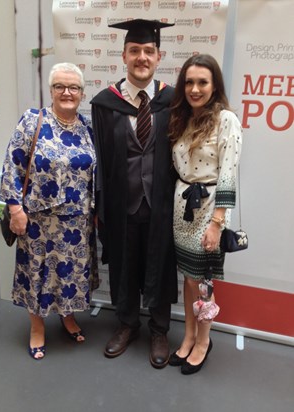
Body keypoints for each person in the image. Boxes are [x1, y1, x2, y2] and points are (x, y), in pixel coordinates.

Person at [91, 19, 178, 369]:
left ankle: (159, 330)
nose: (141, 57)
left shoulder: (173, 101)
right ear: (124, 56)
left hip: (161, 204)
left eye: (148, 51)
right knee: (125, 266)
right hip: (120, 204)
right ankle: (127, 324)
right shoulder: (104, 103)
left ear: (159, 56)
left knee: (160, 263)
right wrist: (100, 206)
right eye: (135, 51)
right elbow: (99, 156)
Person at [0, 62, 99, 360]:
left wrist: (96, 210)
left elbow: (96, 174)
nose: (67, 92)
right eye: (60, 86)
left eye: (74, 87)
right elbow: (12, 166)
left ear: (82, 93)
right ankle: (37, 327)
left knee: (70, 276)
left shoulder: (87, 128)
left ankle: (67, 317)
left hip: (78, 222)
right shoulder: (32, 121)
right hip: (38, 221)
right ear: (51, 90)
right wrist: (15, 208)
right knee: (37, 274)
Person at [168, 54, 242, 374]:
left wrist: (216, 224)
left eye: (202, 82)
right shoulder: (182, 117)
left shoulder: (226, 119)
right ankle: (187, 336)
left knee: (204, 282)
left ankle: (203, 341)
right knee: (188, 279)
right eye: (189, 82)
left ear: (215, 85)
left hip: (209, 209)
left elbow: (228, 174)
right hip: (182, 206)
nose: (195, 89)